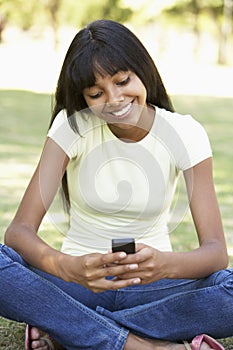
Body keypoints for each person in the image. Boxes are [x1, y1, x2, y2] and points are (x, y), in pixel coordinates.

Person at [0, 19, 232, 350]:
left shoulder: (185, 132)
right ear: (83, 96)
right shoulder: (72, 126)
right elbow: (19, 231)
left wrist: (164, 264)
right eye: (96, 93)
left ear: (143, 72)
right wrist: (68, 268)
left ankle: (68, 327)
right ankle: (142, 344)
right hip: (78, 283)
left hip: (155, 286)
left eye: (123, 81)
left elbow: (215, 253)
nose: (115, 100)